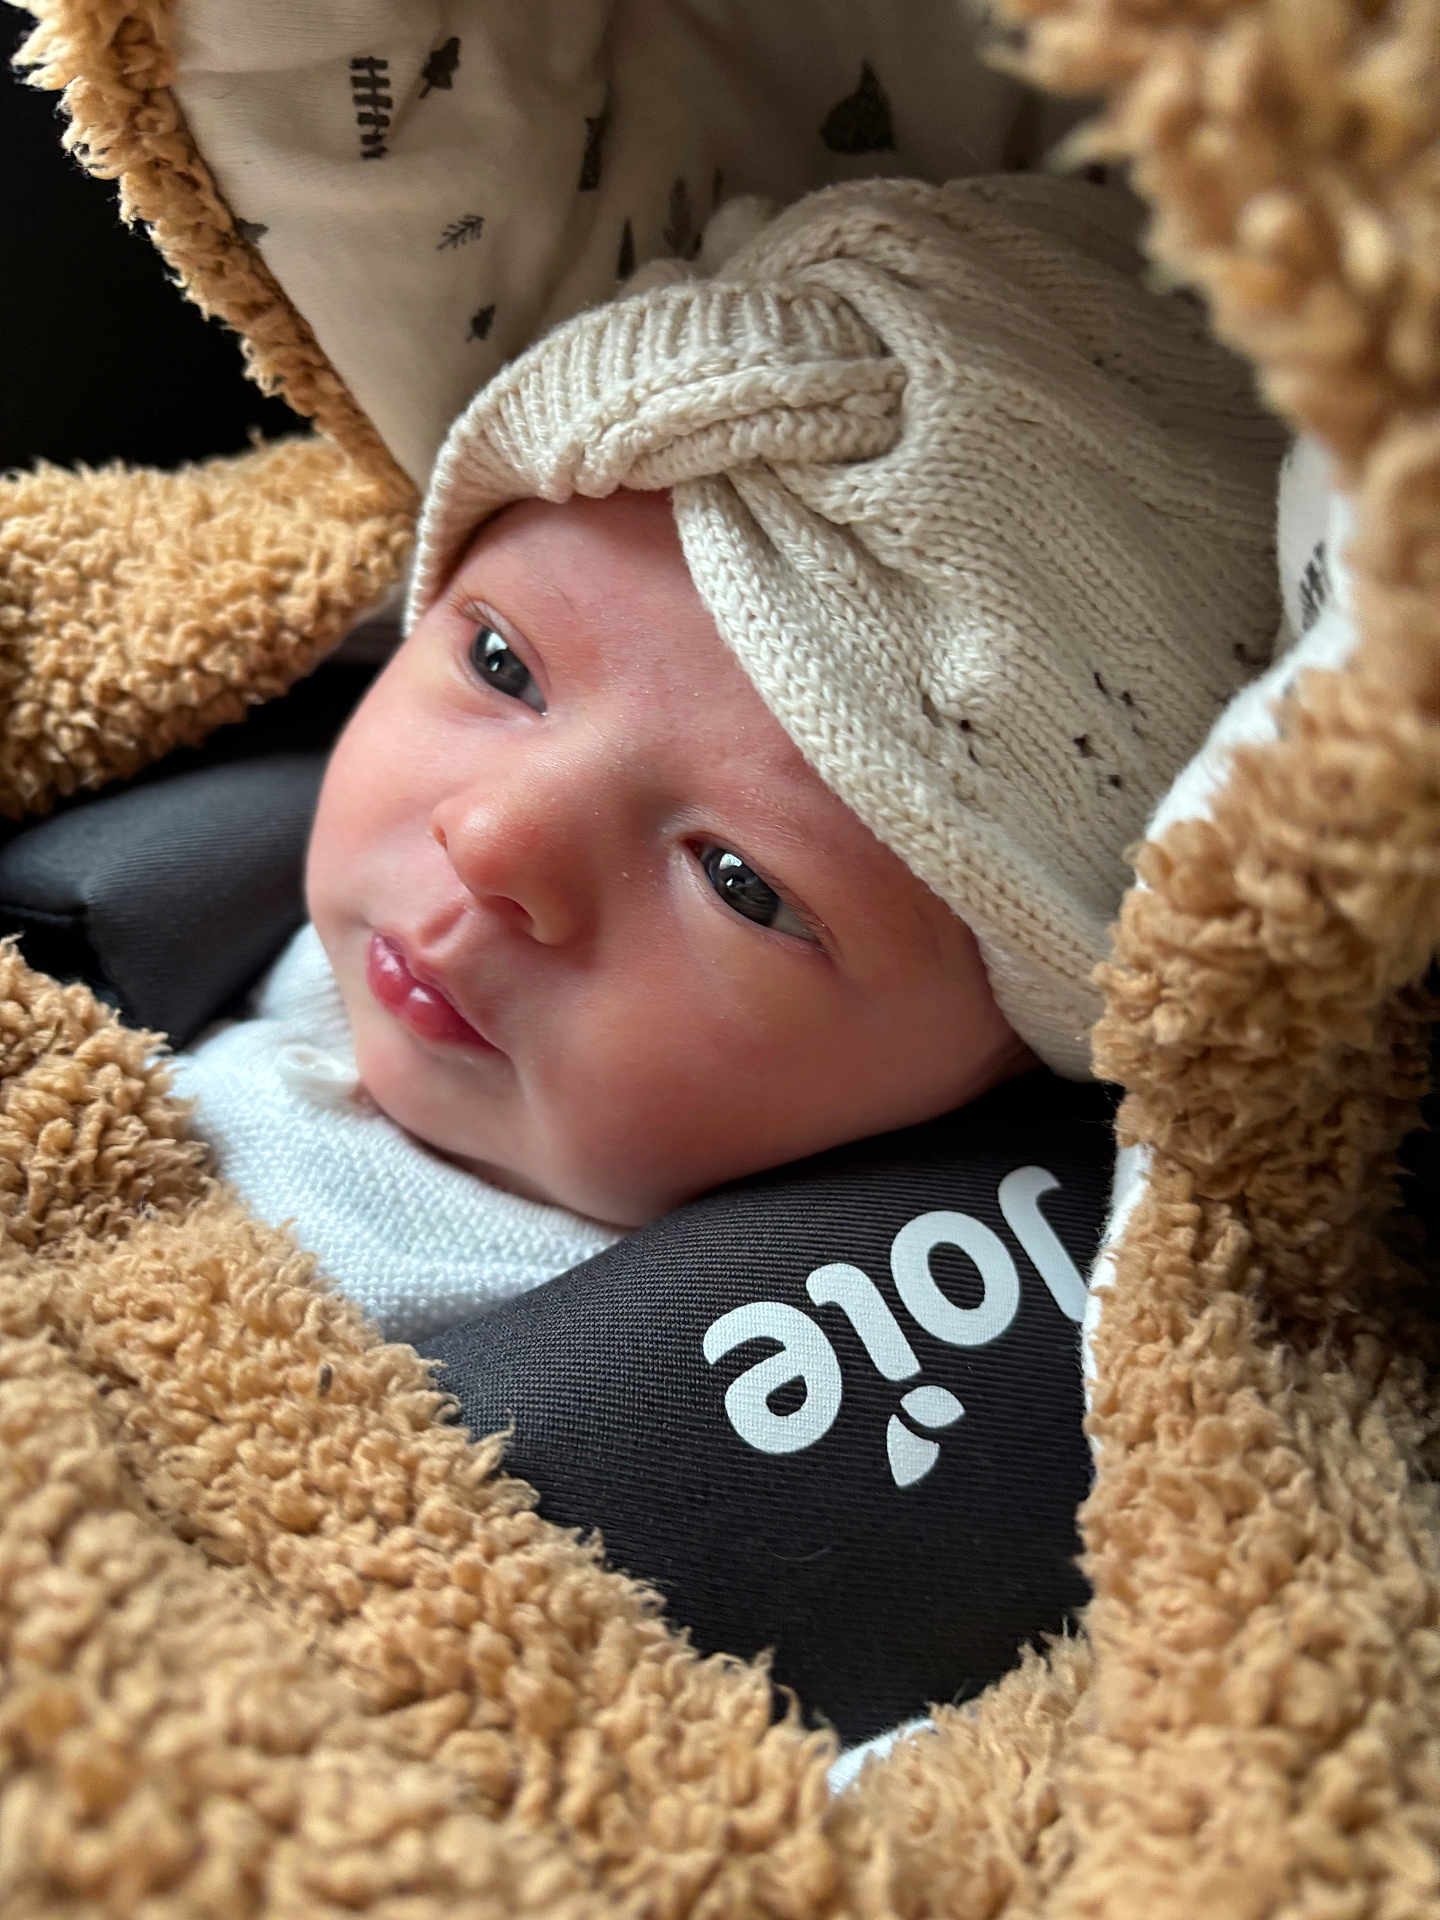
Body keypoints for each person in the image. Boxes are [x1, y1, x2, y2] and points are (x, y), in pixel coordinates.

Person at [172, 171, 1284, 1341]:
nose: (495, 841)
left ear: (997, 1069)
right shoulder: (191, 814)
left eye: (740, 882)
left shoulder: (726, 1382)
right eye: (503, 665)